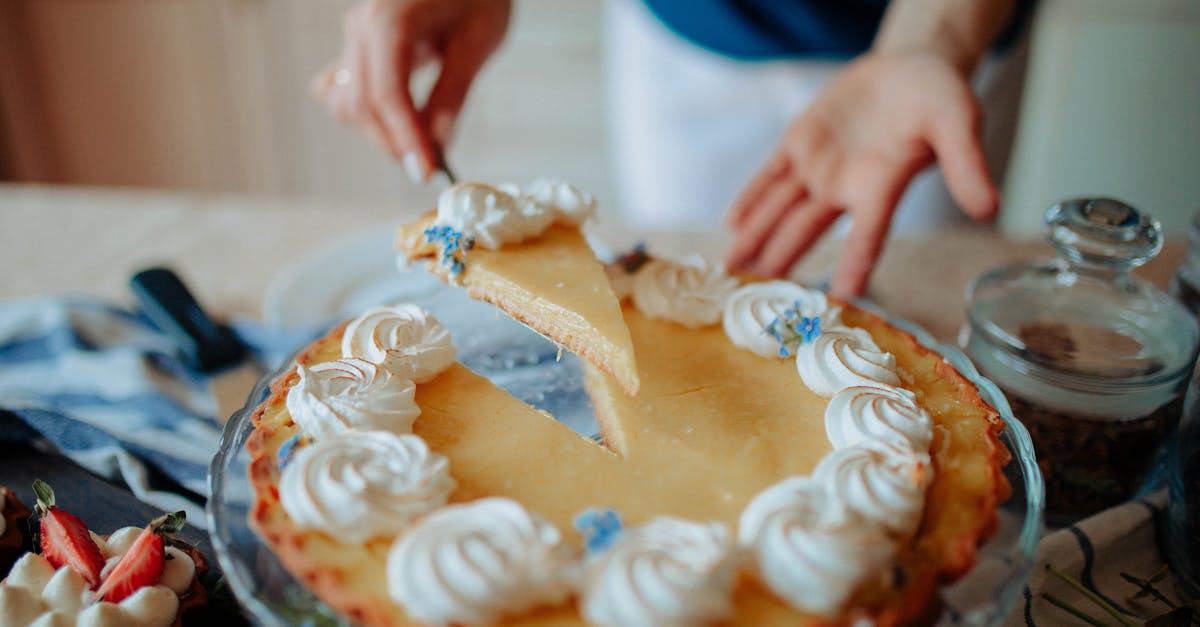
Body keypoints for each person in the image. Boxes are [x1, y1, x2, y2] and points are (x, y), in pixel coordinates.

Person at [312, 0, 1028, 297]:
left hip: (931, 51)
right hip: (684, 34)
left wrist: (934, 41)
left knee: (906, 303)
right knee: (681, 289)